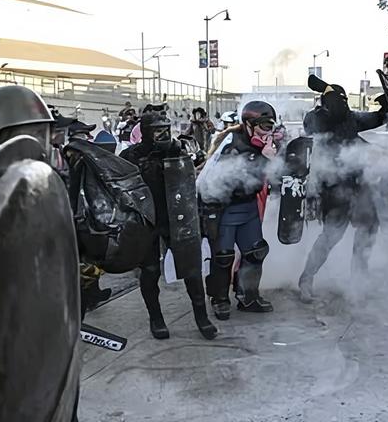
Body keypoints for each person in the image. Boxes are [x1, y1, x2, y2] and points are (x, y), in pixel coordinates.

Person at [119, 107, 218, 340]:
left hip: (177, 218)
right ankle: (156, 318)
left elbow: (193, 172)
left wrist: (181, 154)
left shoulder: (177, 149)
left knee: (192, 269)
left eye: (166, 130)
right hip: (147, 221)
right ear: (144, 132)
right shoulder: (131, 156)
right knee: (150, 271)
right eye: (157, 131)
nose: (163, 135)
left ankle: (201, 317)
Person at [298, 79, 388, 303]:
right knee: (331, 236)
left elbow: (374, 118)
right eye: (337, 99)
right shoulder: (315, 117)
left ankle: (359, 281)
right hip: (333, 188)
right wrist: (328, 91)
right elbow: (332, 115)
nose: (342, 104)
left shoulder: (348, 118)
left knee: (369, 229)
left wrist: (386, 107)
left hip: (359, 185)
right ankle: (306, 278)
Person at [197, 101, 282, 319]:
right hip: (226, 209)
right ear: (249, 124)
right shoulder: (230, 145)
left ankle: (248, 295)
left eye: (270, 126)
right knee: (223, 256)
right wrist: (265, 159)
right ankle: (219, 298)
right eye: (264, 126)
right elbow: (221, 180)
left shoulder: (261, 143)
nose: (267, 132)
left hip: (248, 207)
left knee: (255, 252)